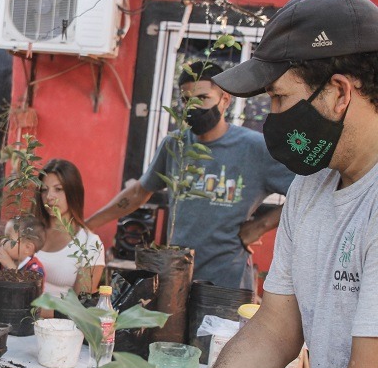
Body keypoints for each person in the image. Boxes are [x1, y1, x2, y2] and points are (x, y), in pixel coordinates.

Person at [137, 0, 378, 368]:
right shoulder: (311, 189)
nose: (272, 119)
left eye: (281, 99)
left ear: (340, 92)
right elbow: (274, 330)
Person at [86, 61, 295, 290]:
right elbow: (139, 192)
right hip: (175, 277)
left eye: (202, 98)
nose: (193, 107)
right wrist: (87, 225)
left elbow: (302, 191)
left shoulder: (254, 148)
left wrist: (261, 225)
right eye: (187, 100)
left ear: (225, 100)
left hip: (226, 281)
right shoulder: (174, 145)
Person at [36, 159, 105, 299]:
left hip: (59, 320)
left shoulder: (89, 243)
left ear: (73, 191)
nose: (49, 197)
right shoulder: (29, 231)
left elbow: (81, 307)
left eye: (58, 189)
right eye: (44, 190)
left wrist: (37, 311)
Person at [0, 215, 46, 281]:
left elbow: (26, 289)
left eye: (8, 238)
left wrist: (9, 266)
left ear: (27, 248)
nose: (2, 241)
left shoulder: (35, 268)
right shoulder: (0, 262)